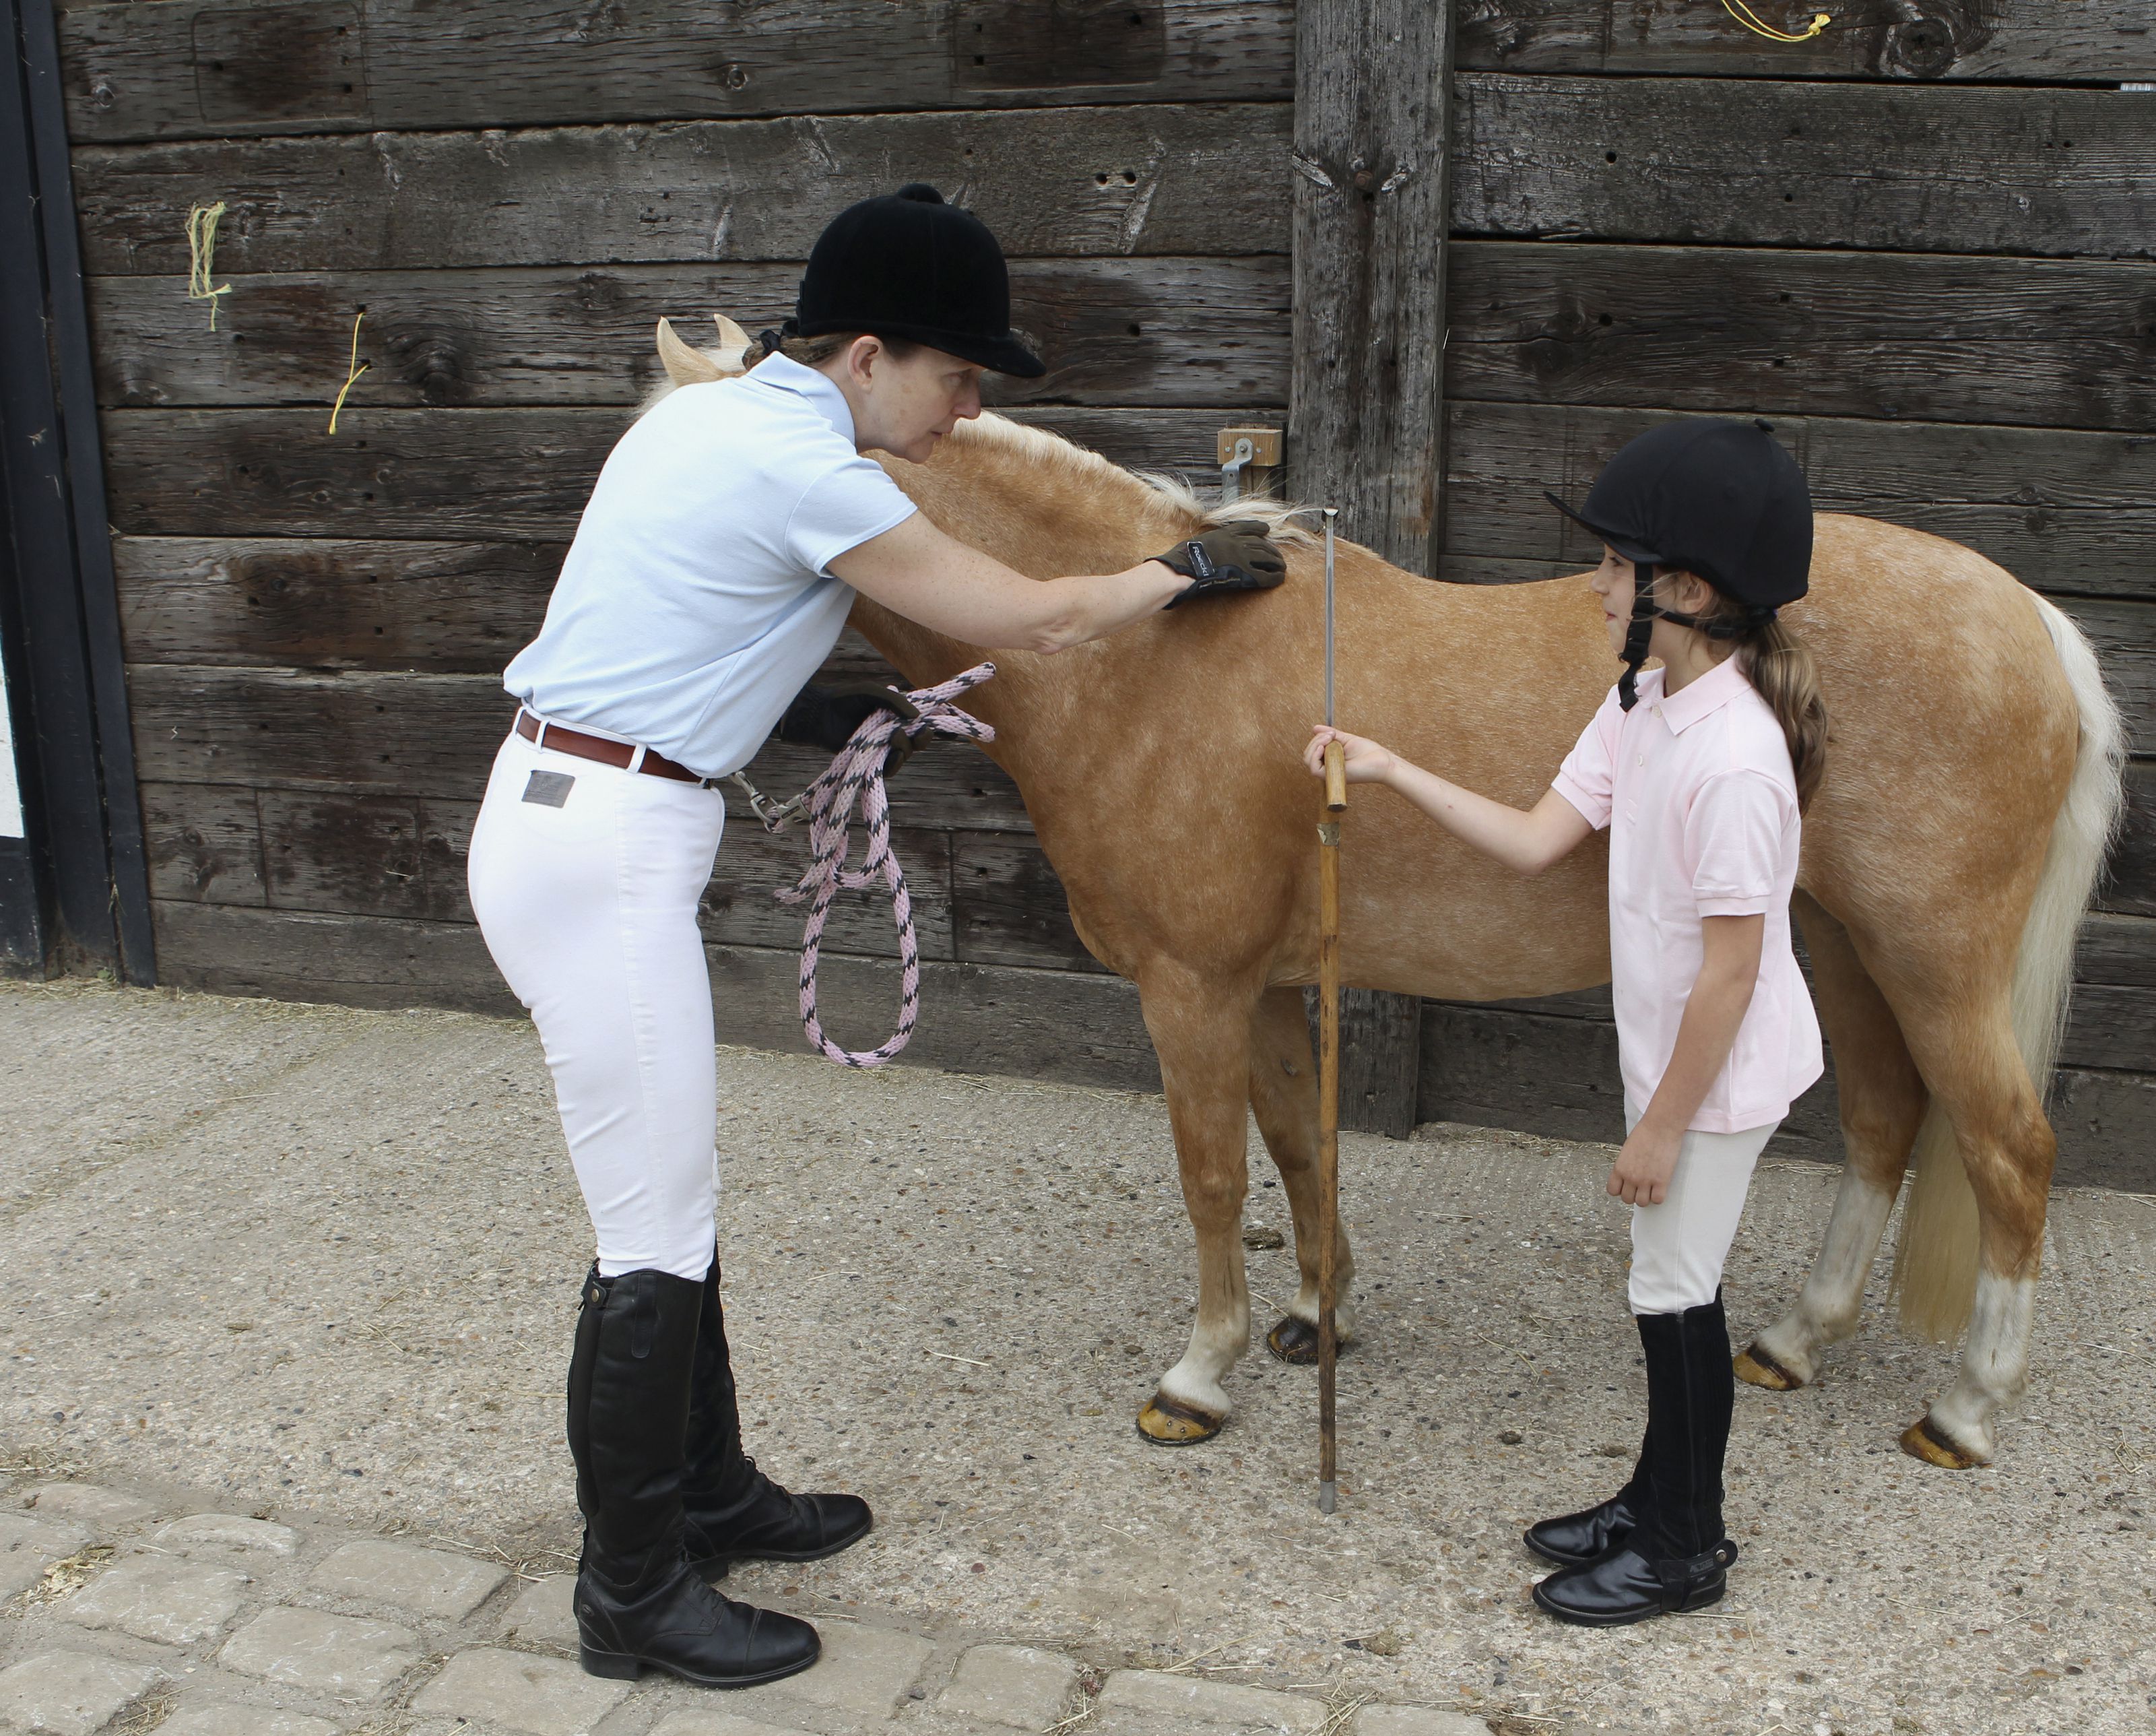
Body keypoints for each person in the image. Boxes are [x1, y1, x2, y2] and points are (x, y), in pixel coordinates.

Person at [466, 184, 1285, 1688]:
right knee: (650, 1232)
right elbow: (1029, 618)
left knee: (677, 1201)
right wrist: (1177, 567)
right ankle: (632, 1587)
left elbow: (666, 618)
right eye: (956, 375)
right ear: (862, 353)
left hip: (584, 808)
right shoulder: (804, 463)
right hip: (604, 843)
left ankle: (707, 1495)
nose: (969, 408)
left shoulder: (703, 426)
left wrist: (814, 705)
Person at [1305, 420, 1827, 1626]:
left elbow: (1734, 976)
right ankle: (1656, 1500)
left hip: (1719, 1075)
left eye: (1613, 565)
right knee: (1663, 1284)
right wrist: (1389, 767)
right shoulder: (1645, 702)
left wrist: (1660, 1131)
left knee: (1678, 1294)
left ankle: (1685, 1547)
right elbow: (1539, 838)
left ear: (1686, 591)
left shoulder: (1737, 762)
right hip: (1680, 1065)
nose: (1593, 586)